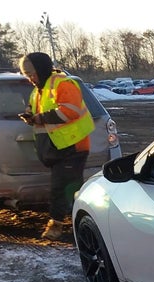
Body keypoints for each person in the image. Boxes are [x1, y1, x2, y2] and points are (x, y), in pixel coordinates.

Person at [18, 52, 94, 240]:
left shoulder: (62, 83)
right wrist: (29, 115)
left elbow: (71, 110)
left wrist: (39, 118)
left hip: (72, 146)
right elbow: (33, 109)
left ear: (41, 70)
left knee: (61, 188)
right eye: (27, 75)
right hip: (57, 148)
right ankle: (85, 222)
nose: (30, 79)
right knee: (68, 187)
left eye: (32, 74)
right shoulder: (38, 90)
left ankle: (57, 226)